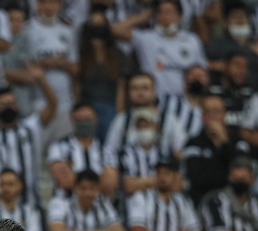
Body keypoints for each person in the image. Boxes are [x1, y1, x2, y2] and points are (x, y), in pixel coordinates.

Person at [112, 0, 206, 99]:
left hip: (185, 100)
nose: (165, 17)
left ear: (179, 16)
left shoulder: (192, 40)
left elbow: (202, 71)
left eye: (169, 12)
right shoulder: (146, 39)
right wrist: (142, 17)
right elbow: (116, 30)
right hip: (154, 101)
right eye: (161, 13)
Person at [0, 79, 57, 208]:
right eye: (3, 105)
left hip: (32, 201)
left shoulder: (31, 127)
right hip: (2, 203)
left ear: (17, 106)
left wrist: (41, 79)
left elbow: (52, 105)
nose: (8, 108)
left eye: (11, 103)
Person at [25, 0, 78, 143]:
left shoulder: (67, 31)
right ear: (36, 5)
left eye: (53, 3)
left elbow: (75, 68)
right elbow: (25, 66)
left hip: (65, 104)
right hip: (38, 103)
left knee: (62, 150)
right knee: (37, 149)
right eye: (44, 2)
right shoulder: (28, 30)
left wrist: (58, 63)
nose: (49, 7)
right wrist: (47, 62)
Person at [47, 103, 115, 196]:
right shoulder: (59, 147)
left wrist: (75, 177)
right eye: (80, 120)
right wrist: (98, 179)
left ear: (95, 119)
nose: (85, 123)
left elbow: (109, 185)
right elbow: (64, 181)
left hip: (99, 204)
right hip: (66, 204)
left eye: (88, 119)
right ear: (73, 121)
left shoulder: (106, 149)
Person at [77, 5, 124, 141]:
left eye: (100, 25)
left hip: (110, 105)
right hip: (89, 105)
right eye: (94, 24)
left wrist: (119, 110)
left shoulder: (116, 55)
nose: (97, 29)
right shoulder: (83, 55)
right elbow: (76, 83)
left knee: (110, 139)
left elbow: (120, 84)